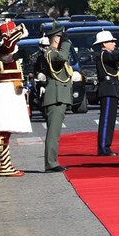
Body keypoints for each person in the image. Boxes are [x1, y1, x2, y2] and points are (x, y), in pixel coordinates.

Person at [0, 22, 32, 176]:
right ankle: (4, 166)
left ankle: (6, 164)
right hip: (6, 90)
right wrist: (19, 30)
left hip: (11, 89)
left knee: (6, 130)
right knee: (4, 128)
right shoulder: (4, 48)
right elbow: (9, 44)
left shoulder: (6, 48)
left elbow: (11, 43)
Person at [40, 24, 72, 172]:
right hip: (55, 96)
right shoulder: (50, 53)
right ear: (55, 39)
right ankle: (51, 163)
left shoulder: (54, 52)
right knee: (53, 132)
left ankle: (52, 161)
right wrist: (65, 43)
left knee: (56, 132)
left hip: (60, 95)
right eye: (62, 37)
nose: (65, 40)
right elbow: (62, 57)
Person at [95, 30, 119, 156]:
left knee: (111, 120)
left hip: (112, 87)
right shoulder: (103, 54)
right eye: (111, 42)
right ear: (104, 44)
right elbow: (115, 56)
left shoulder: (108, 54)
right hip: (107, 88)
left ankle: (107, 146)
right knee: (106, 120)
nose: (114, 44)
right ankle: (103, 147)